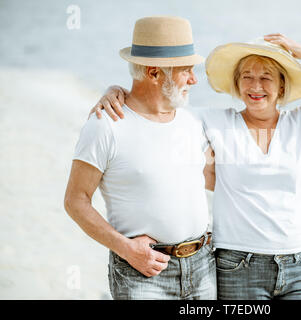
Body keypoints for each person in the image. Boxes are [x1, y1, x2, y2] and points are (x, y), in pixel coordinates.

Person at [93, 34, 301, 299]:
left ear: (282, 86)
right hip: (237, 265)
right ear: (237, 85)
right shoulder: (214, 121)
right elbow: (152, 103)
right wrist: (117, 91)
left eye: (266, 78)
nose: (255, 86)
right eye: (247, 77)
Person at [64, 16, 216, 300]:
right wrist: (125, 248)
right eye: (186, 70)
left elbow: (213, 179)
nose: (195, 79)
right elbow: (75, 200)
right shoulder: (105, 125)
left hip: (204, 267)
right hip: (143, 273)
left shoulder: (192, 120)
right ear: (154, 73)